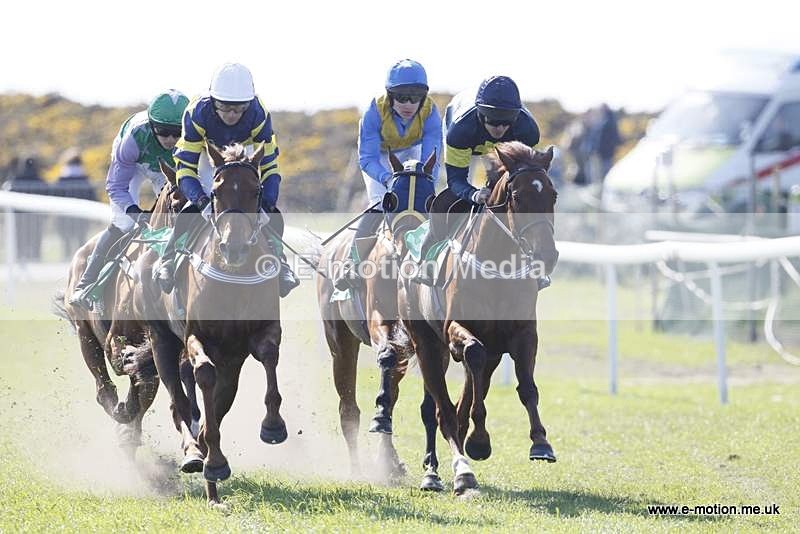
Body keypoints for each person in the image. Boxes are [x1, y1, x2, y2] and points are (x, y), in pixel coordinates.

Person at [154, 63, 299, 297]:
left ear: (248, 104)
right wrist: (201, 202)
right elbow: (185, 168)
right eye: (224, 106)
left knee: (273, 214)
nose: (232, 114)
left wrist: (267, 204)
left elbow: (270, 167)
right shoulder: (197, 112)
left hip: (245, 152)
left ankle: (280, 262)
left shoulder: (258, 113)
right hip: (205, 154)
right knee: (189, 211)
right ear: (213, 102)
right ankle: (168, 260)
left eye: (240, 107)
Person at [419, 75, 550, 289]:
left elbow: (521, 179)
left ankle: (534, 266)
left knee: (514, 196)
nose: (499, 128)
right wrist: (473, 194)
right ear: (481, 114)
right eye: (492, 120)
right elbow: (456, 180)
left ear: (515, 117)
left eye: (505, 122)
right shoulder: (460, 131)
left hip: (505, 148)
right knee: (451, 200)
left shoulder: (527, 131)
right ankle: (428, 256)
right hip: (467, 140)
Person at [68, 90, 189, 310]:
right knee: (124, 222)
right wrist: (135, 212)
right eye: (163, 132)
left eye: (176, 132)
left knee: (179, 215)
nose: (171, 139)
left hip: (165, 170)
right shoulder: (134, 137)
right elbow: (116, 186)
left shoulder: (191, 136)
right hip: (133, 165)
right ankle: (86, 283)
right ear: (152, 126)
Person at [332, 58, 442, 290]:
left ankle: (432, 261)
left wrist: (423, 181)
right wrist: (387, 178)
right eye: (401, 97)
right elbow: (367, 159)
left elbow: (432, 156)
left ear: (423, 97)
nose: (408, 104)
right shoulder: (374, 112)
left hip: (415, 153)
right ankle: (353, 264)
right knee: (380, 205)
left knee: (424, 203)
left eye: (415, 97)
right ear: (390, 96)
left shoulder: (431, 112)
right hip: (381, 158)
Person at [52, 148, 97, 258]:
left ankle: (66, 259)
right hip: (83, 215)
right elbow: (92, 196)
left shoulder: (61, 180)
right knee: (81, 239)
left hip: (64, 215)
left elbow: (55, 196)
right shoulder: (85, 179)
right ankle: (81, 260)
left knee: (66, 240)